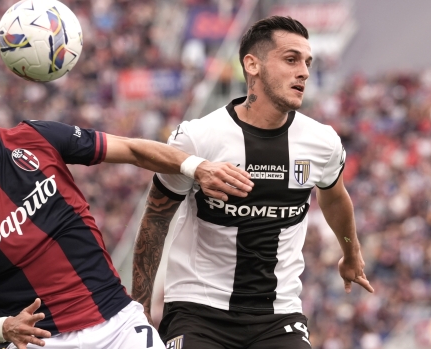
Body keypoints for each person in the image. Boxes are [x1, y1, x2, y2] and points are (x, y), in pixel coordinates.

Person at [0, 70, 252, 349]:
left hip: (117, 321)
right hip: (39, 340)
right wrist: (2, 327)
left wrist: (197, 167)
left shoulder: (33, 138)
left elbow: (131, 149)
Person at [132, 16, 374, 349]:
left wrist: (351, 252)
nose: (303, 71)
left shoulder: (323, 142)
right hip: (198, 311)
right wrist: (140, 307)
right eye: (291, 60)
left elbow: (334, 198)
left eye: (307, 62)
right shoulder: (199, 137)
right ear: (252, 65)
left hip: (278, 316)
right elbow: (156, 218)